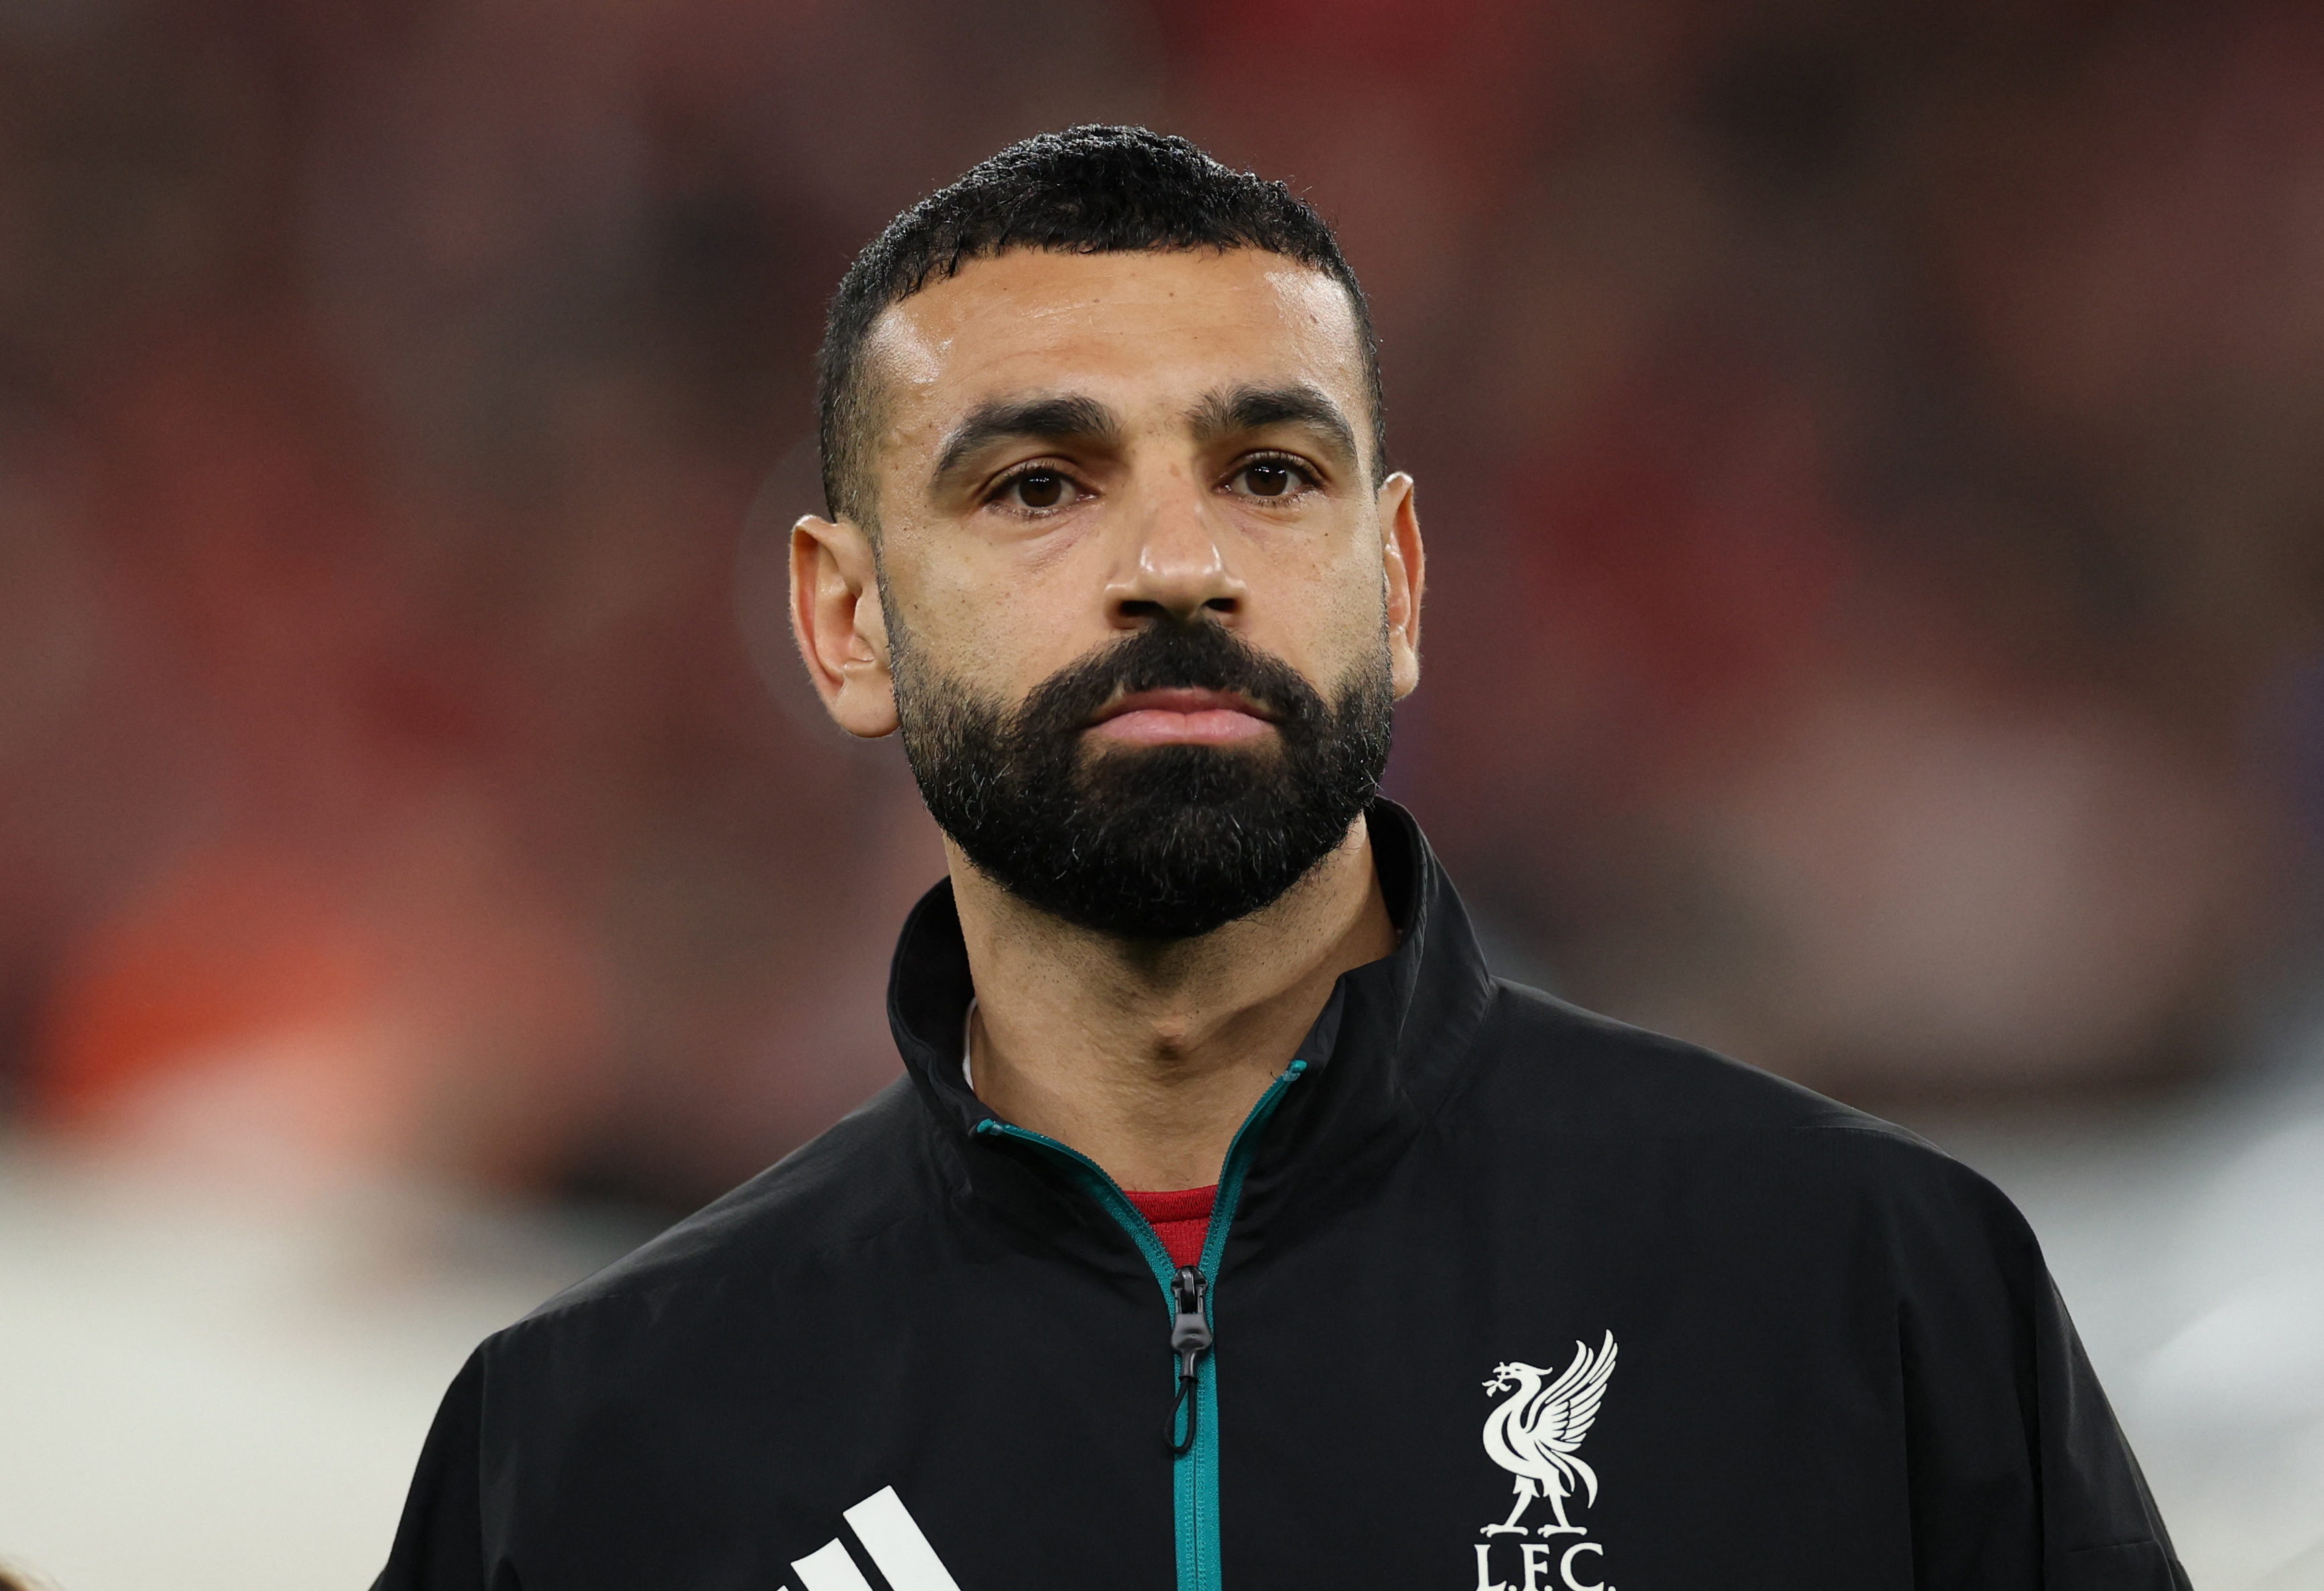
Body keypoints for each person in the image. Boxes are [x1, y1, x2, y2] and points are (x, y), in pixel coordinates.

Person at [375, 125, 2187, 1591]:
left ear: (1393, 584)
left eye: (1267, 473)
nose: (1179, 562)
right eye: (1037, 486)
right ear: (844, 622)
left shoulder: (1866, 1303)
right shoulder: (592, 1447)